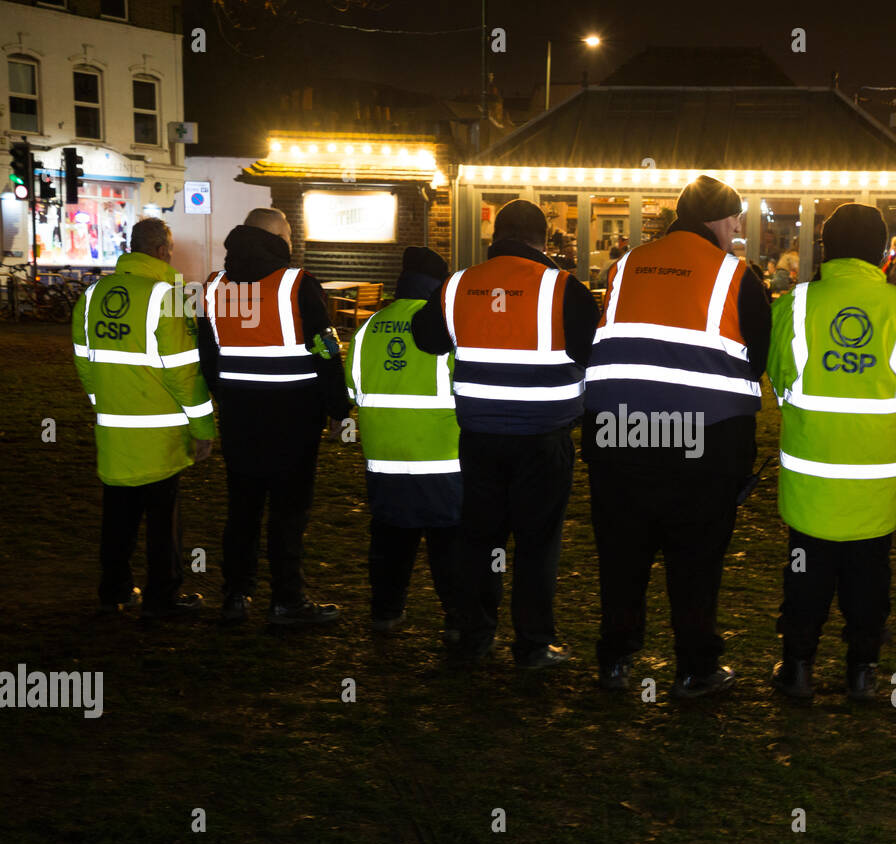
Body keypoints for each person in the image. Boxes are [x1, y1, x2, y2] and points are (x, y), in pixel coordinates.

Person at [582, 174, 772, 699]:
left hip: (617, 433)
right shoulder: (737, 275)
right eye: (734, 217)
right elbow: (756, 358)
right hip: (702, 442)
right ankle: (694, 668)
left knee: (621, 554)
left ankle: (615, 658)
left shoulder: (625, 265)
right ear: (717, 218)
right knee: (695, 560)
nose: (738, 227)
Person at [411, 200, 600, 668]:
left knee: (481, 537)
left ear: (495, 237)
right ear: (542, 239)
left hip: (480, 436)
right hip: (544, 437)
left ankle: (476, 632)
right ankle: (534, 643)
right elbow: (592, 354)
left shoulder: (458, 285)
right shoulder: (564, 288)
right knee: (538, 542)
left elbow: (427, 337)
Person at [767, 204, 896, 699]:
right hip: (876, 482)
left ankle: (797, 667)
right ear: (884, 253)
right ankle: (862, 670)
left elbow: (779, 382)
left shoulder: (793, 307)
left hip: (809, 480)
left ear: (825, 248)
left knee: (804, 572)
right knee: (869, 574)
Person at [198, 208, 352, 626]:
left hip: (239, 416)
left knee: (242, 507)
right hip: (294, 418)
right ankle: (287, 599)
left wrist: (227, 392)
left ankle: (235, 595)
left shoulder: (212, 286)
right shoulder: (297, 283)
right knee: (288, 511)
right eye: (288, 232)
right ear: (278, 237)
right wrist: (339, 410)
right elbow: (325, 350)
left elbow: (207, 355)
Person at [72, 217, 212, 618]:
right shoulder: (169, 296)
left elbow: (84, 363)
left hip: (115, 429)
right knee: (162, 520)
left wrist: (105, 405)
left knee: (117, 515)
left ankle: (114, 589)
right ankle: (161, 596)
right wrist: (203, 427)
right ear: (164, 249)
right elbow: (185, 372)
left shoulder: (94, 293)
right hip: (161, 432)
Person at [344, 246, 463, 638]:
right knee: (449, 545)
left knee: (390, 539)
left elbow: (352, 388)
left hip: (384, 460)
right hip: (442, 460)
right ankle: (457, 620)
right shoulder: (446, 328)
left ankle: (386, 612)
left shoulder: (368, 328)